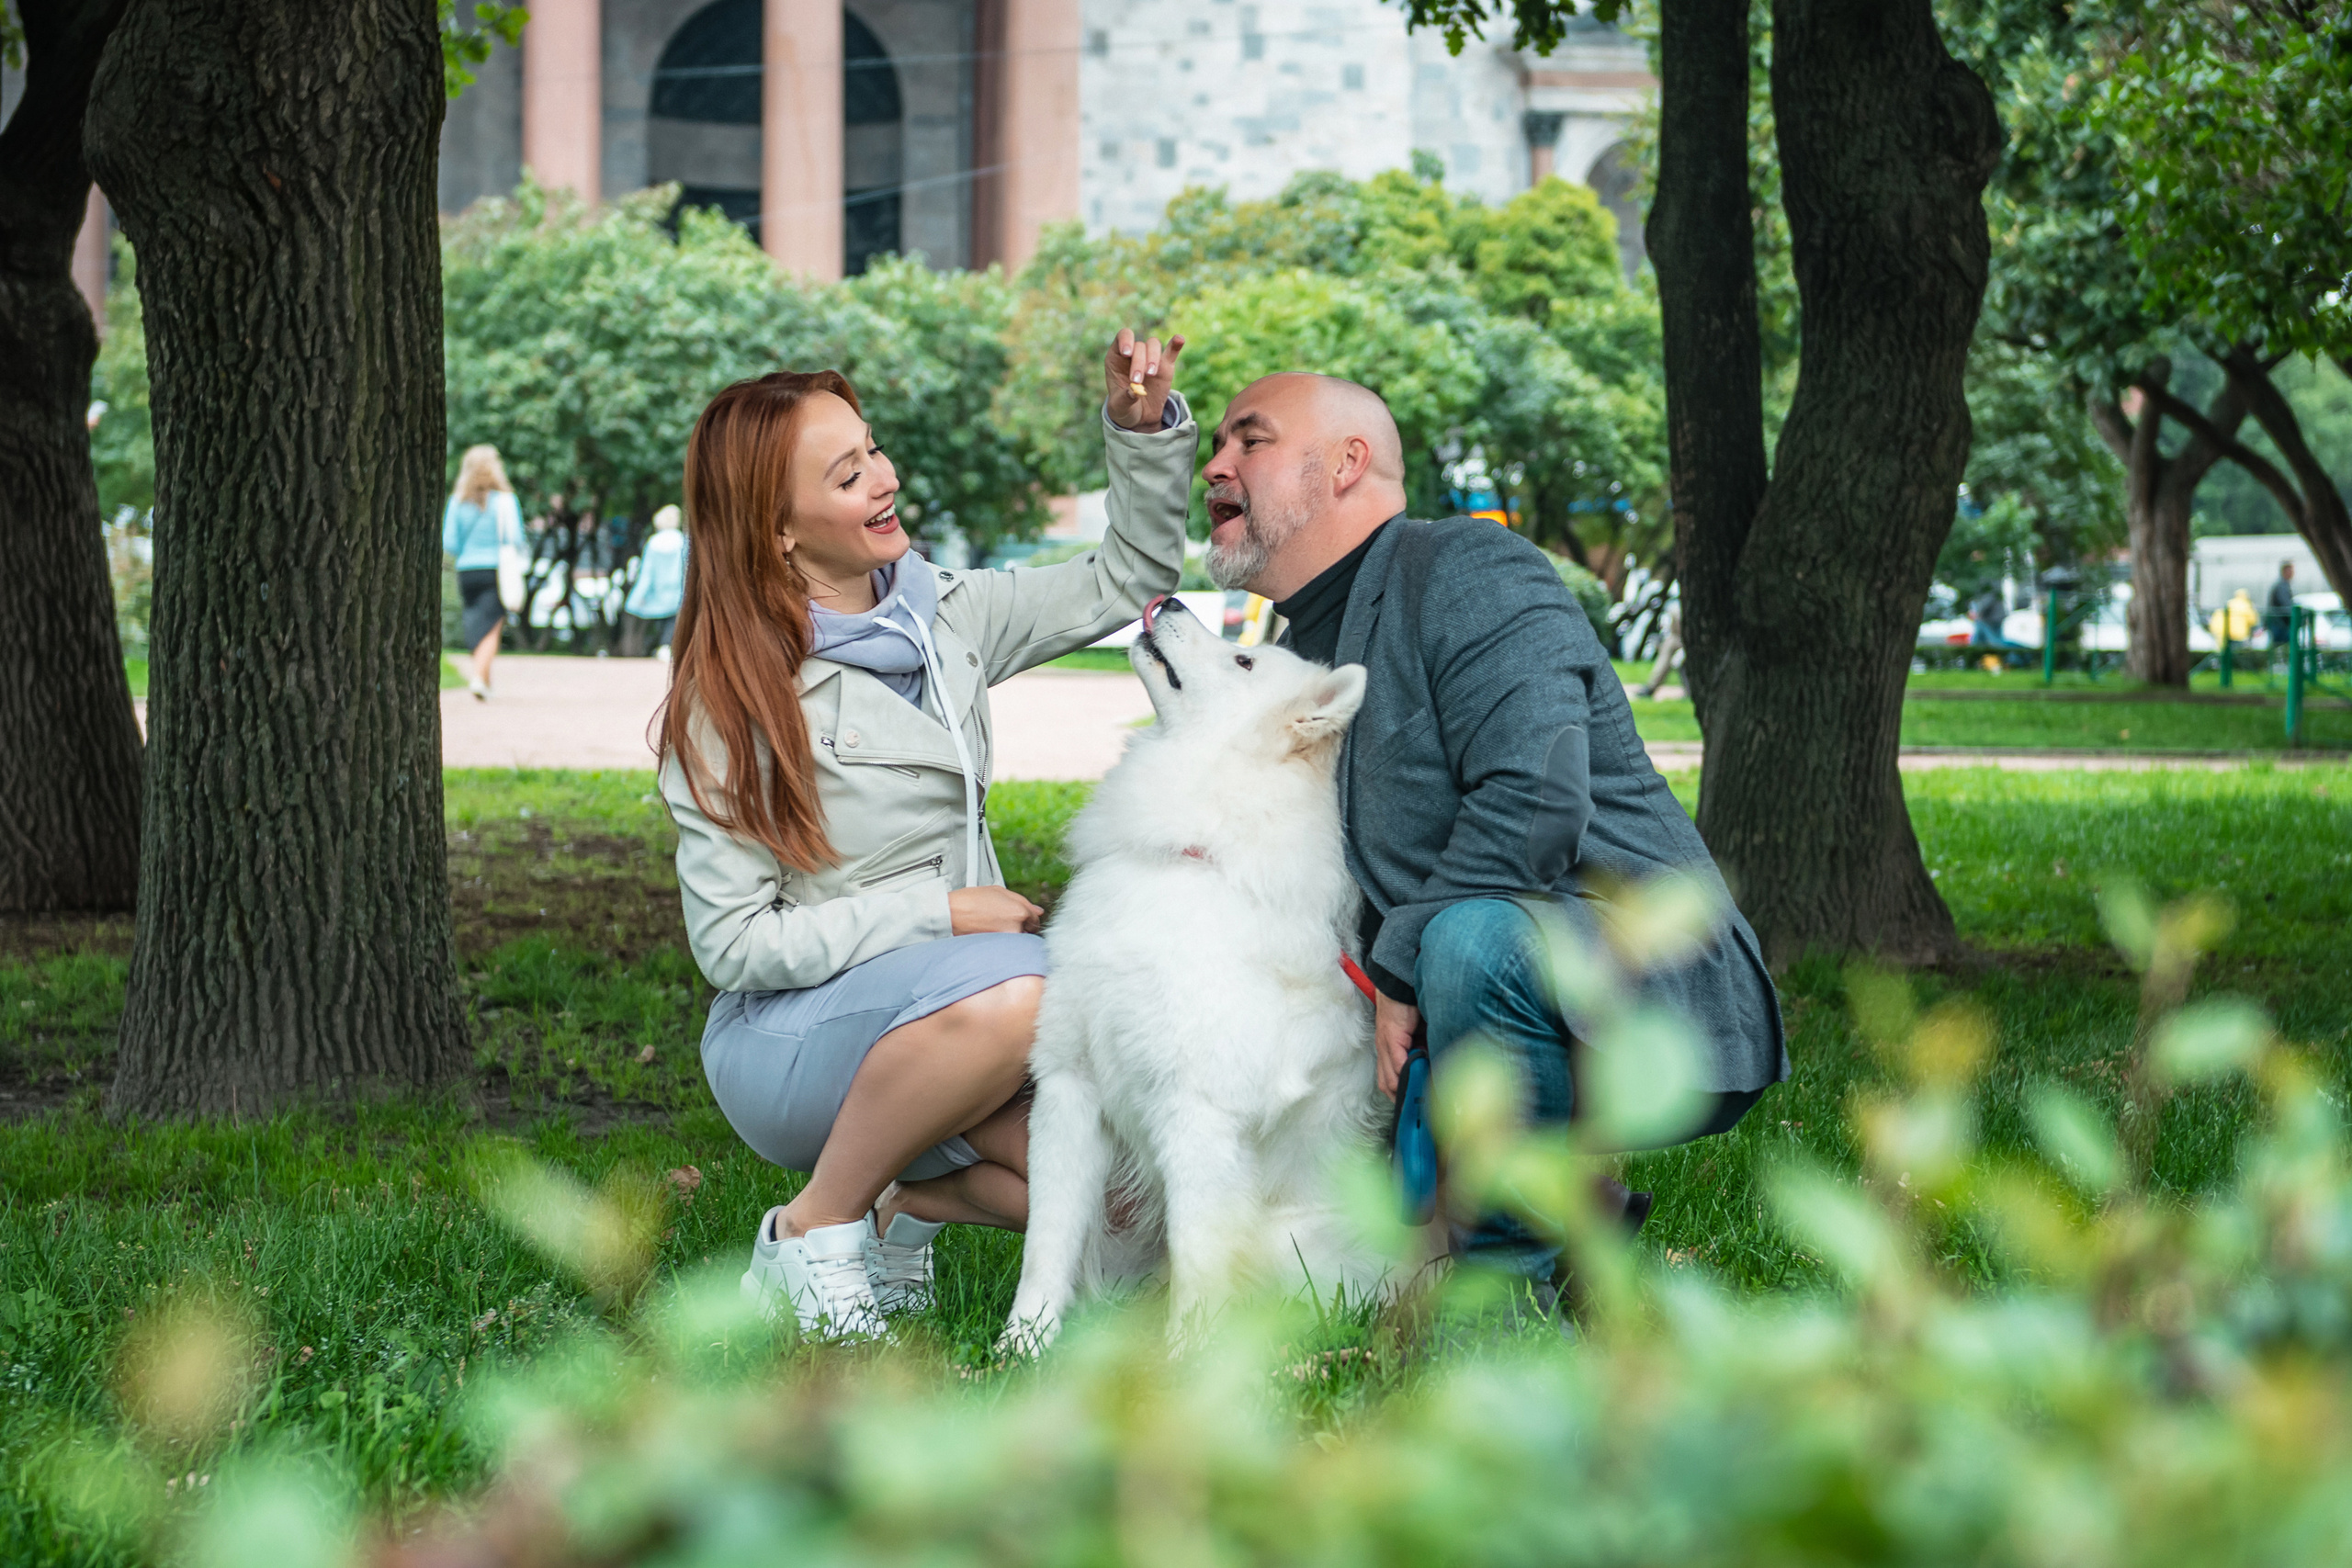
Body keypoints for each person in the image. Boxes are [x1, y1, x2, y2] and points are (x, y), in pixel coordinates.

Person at [1196, 373, 1787, 1293]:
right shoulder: (1300, 646)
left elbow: (1536, 796)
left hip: (1632, 982)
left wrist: (1398, 964)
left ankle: (1513, 1298)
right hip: (1437, 1028)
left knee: (1467, 939)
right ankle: (1574, 1236)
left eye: (1249, 439)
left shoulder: (1467, 568)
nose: (1216, 464)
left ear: (1347, 464)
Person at [662, 331, 1195, 1337]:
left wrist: (1139, 437)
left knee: (1127, 1205)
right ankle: (812, 1229)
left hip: (973, 1019)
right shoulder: (729, 697)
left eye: (873, 451)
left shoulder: (947, 613)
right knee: (1023, 988)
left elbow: (1130, 579)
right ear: (777, 532)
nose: (883, 479)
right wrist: (939, 915)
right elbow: (733, 945)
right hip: (796, 1040)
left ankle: (911, 1204)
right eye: (846, 471)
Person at [443, 445, 525, 700]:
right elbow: (515, 537)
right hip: (495, 572)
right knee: (491, 627)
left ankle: (485, 681)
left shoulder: (457, 502)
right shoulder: (505, 500)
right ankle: (478, 678)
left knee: (476, 622)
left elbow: (450, 543)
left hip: (467, 570)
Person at [624, 504, 687, 659]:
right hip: (677, 590)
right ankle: (666, 646)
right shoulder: (682, 541)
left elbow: (647, 572)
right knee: (672, 621)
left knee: (655, 620)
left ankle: (653, 647)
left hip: (657, 592)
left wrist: (639, 595)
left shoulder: (653, 542)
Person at [2267, 561, 2298, 657]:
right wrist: (2295, 614)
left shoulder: (2284, 585)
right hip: (2280, 623)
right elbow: (2286, 604)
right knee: (2282, 646)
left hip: (2280, 622)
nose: (2292, 573)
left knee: (2279, 646)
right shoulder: (2282, 586)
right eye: (2290, 570)